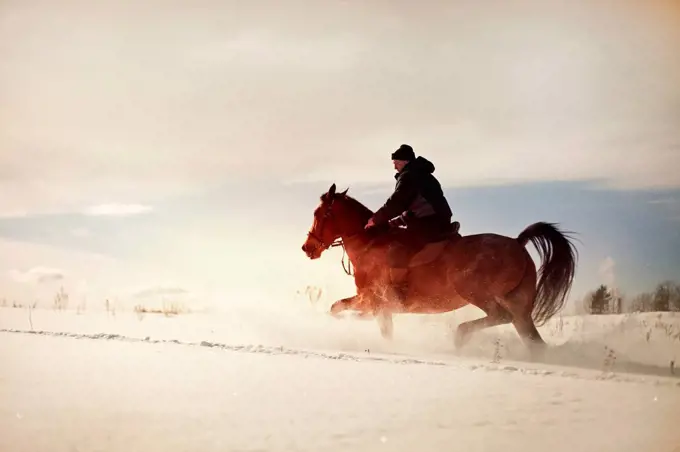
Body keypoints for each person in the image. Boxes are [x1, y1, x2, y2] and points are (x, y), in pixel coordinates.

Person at [365, 144, 453, 304]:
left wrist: (375, 220)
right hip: (437, 220)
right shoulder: (421, 174)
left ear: (404, 161)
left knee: (396, 248)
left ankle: (399, 292)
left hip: (429, 223)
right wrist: (393, 223)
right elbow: (414, 208)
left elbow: (396, 203)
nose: (394, 166)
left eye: (396, 162)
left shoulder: (409, 175)